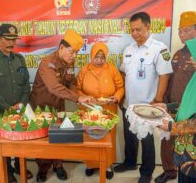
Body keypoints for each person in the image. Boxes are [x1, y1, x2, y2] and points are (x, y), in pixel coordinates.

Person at [114, 12, 173, 183]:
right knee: (129, 136)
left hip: (148, 106)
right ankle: (130, 162)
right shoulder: (128, 49)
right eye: (132, 30)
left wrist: (158, 99)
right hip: (129, 104)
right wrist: (123, 96)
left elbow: (164, 75)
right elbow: (123, 73)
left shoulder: (159, 48)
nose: (134, 33)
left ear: (148, 26)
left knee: (147, 141)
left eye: (138, 29)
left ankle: (146, 172)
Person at [30, 29, 93, 182]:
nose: (74, 56)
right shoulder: (48, 63)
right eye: (72, 52)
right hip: (41, 107)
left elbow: (70, 83)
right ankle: (43, 168)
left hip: (58, 107)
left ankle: (58, 165)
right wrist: (78, 98)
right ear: (62, 48)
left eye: (76, 53)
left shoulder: (69, 63)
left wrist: (80, 95)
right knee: (44, 140)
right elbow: (55, 88)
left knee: (58, 137)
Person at [0, 24, 32, 183]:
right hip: (0, 113)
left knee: (19, 144)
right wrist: (7, 107)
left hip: (19, 111)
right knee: (4, 147)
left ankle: (19, 166)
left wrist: (21, 104)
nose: (11, 43)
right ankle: (8, 171)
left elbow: (25, 84)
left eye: (14, 39)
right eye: (7, 39)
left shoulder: (19, 59)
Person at [155, 11, 196, 183]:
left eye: (186, 31)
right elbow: (170, 79)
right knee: (170, 143)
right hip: (174, 107)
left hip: (190, 115)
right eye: (179, 31)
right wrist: (165, 103)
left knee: (188, 155)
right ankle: (170, 170)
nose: (181, 34)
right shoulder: (178, 54)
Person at [76, 42, 124, 179]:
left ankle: (107, 164)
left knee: (107, 137)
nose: (99, 60)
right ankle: (90, 164)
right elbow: (77, 88)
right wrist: (84, 97)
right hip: (88, 109)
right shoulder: (84, 70)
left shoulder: (112, 69)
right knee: (89, 136)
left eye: (102, 57)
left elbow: (120, 87)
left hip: (108, 109)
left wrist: (116, 97)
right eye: (96, 57)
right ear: (91, 56)